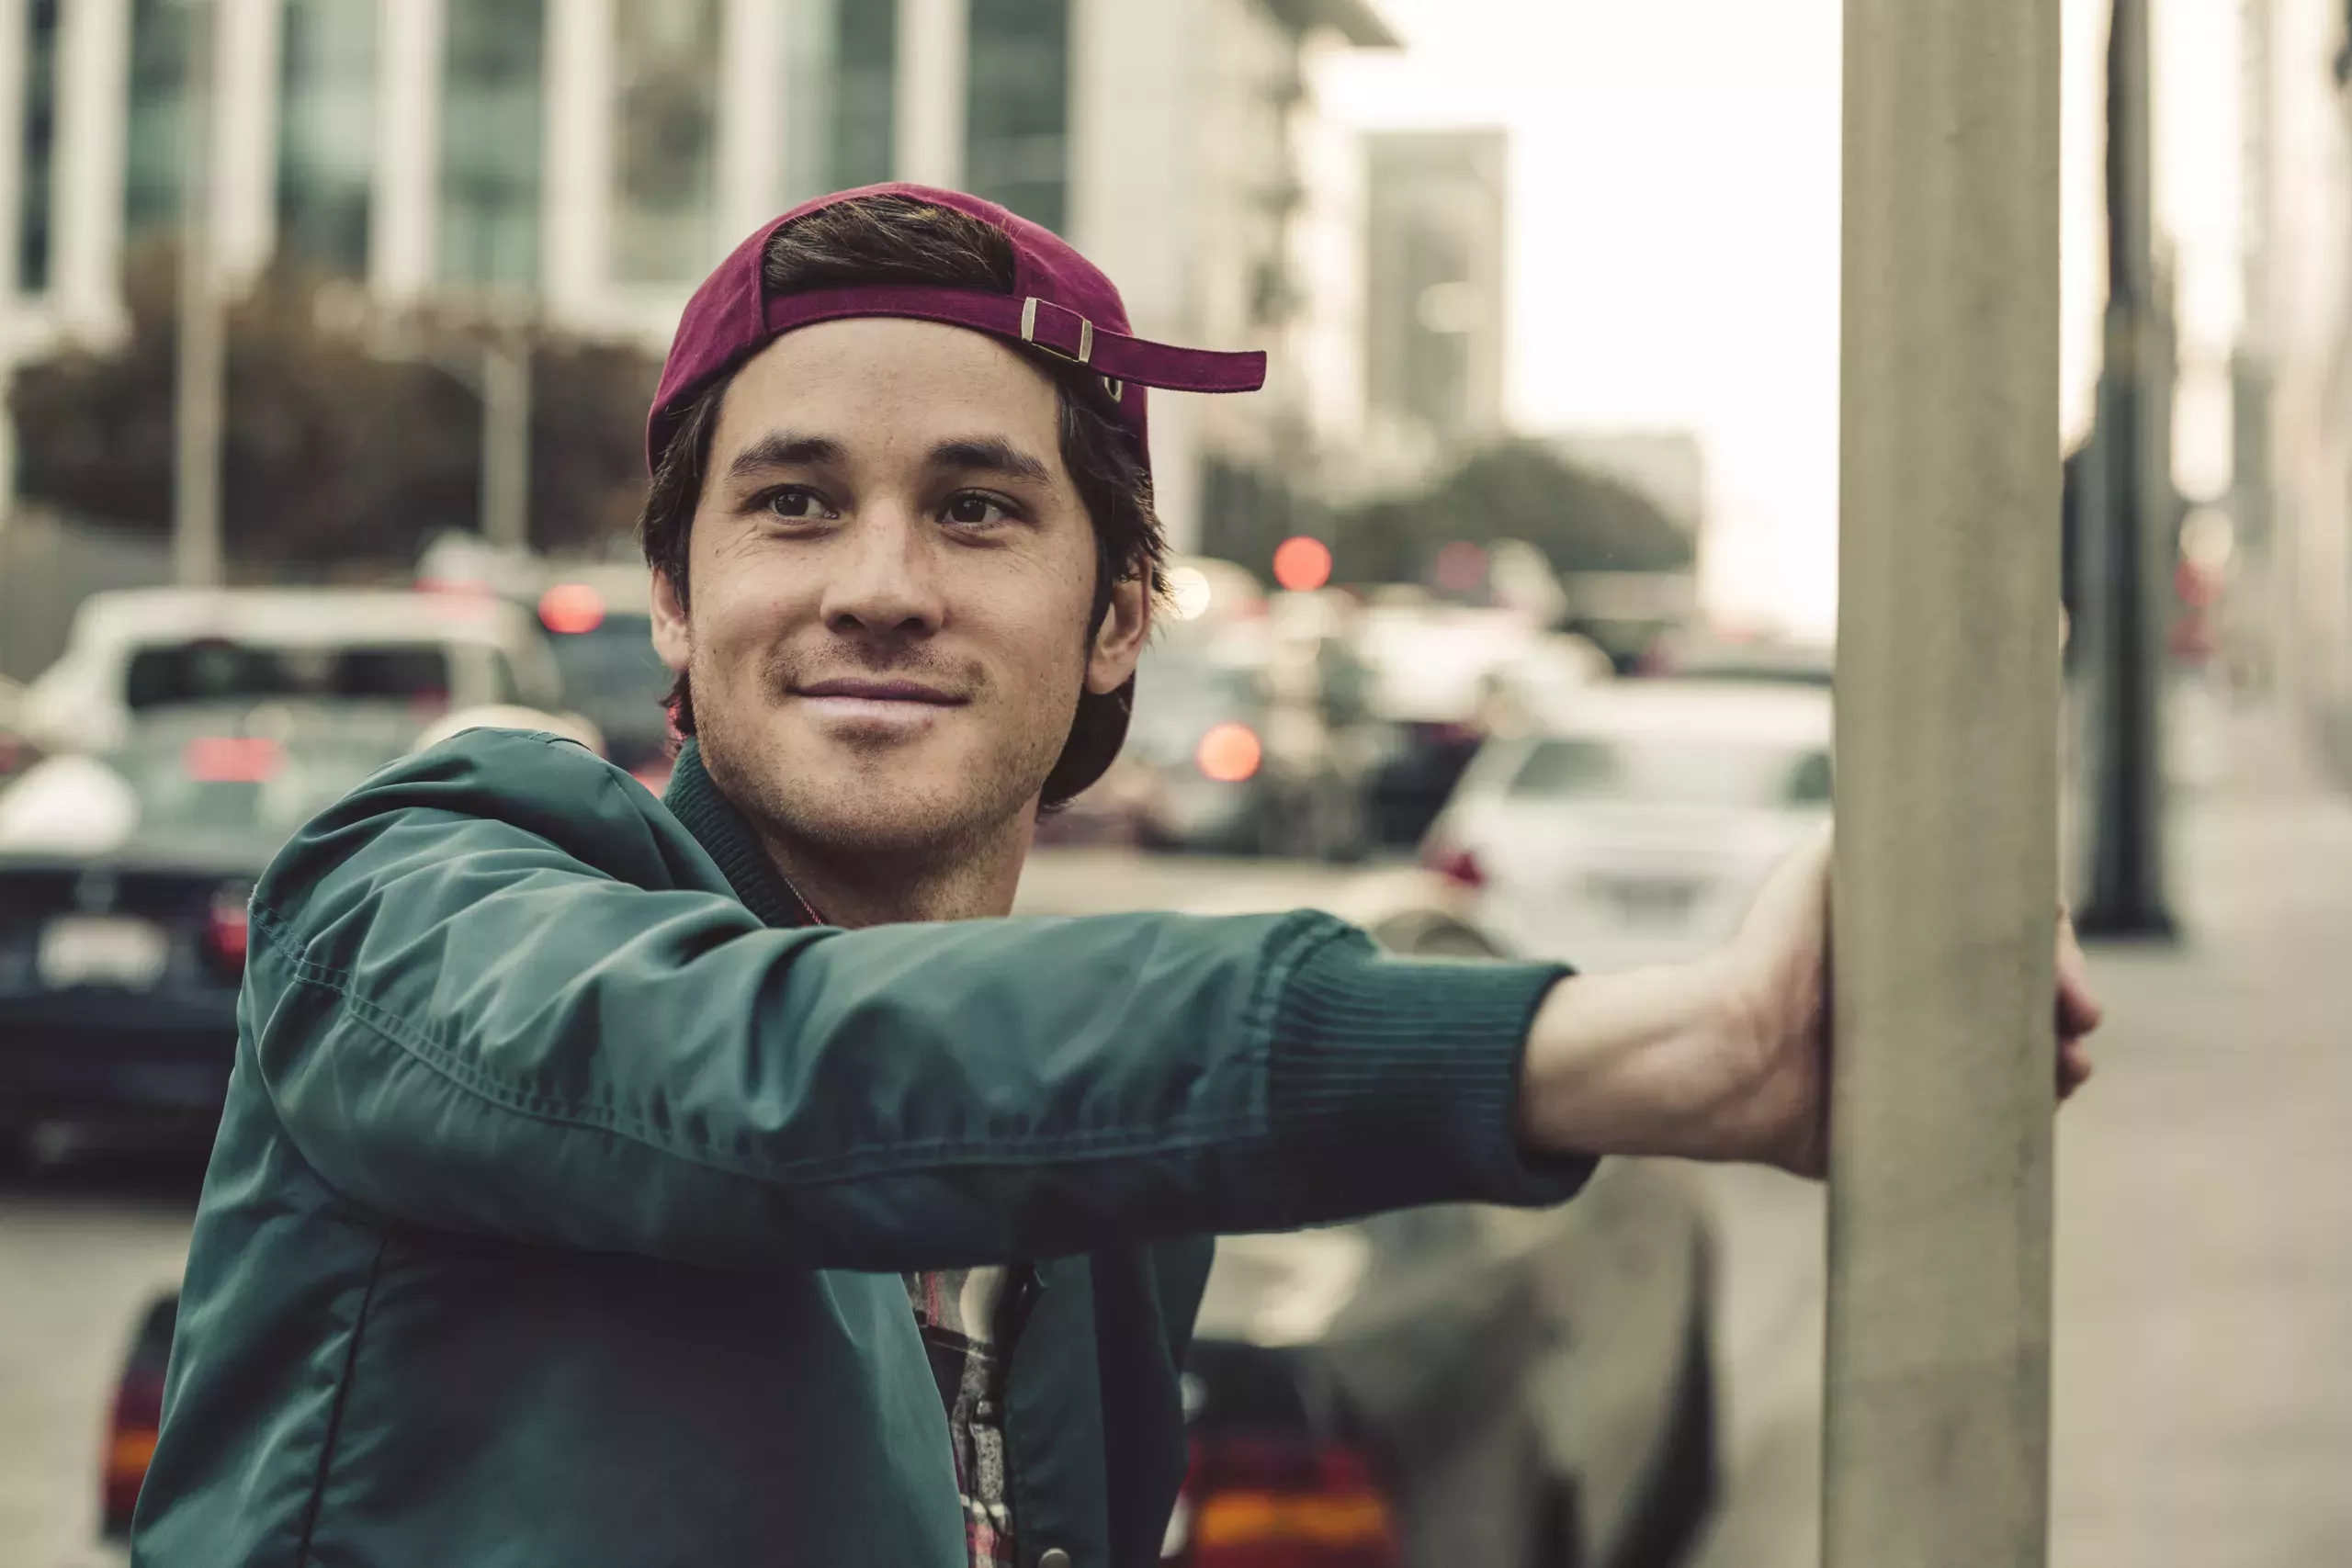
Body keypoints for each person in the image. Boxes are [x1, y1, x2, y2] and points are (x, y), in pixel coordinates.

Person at [132, 186, 2099, 1568]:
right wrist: (1634, 1051)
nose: (879, 583)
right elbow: (772, 1076)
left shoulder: (1097, 1204)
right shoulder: (411, 908)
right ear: (676, 588)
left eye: (979, 511)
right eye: (793, 501)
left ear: (1115, 616)